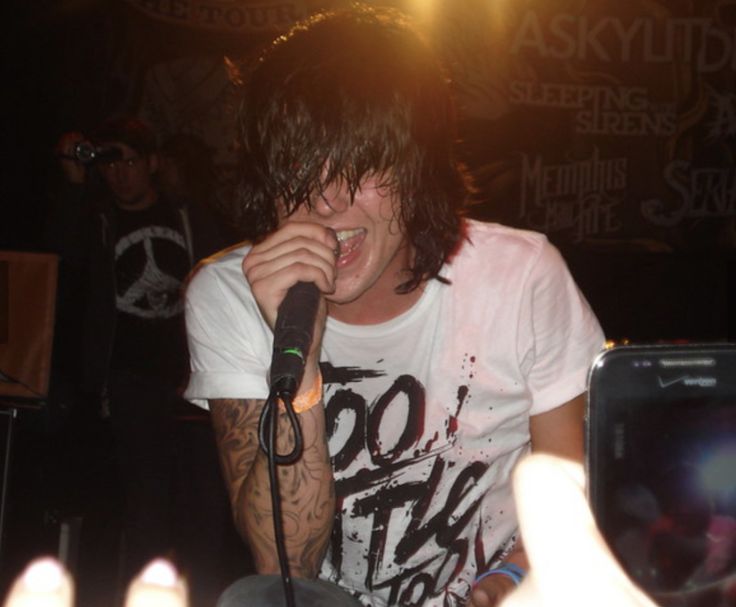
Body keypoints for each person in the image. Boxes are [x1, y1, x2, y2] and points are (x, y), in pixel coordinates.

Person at [183, 5, 605, 607]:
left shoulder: (520, 273)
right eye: (297, 166)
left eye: (362, 165)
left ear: (418, 168)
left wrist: (511, 580)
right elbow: (284, 562)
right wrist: (297, 356)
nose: (326, 202)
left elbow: (573, 485)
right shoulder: (227, 293)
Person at [47, 116, 233, 587]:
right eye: (110, 164)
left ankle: (205, 596)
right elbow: (64, 260)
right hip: (130, 384)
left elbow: (228, 276)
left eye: (129, 161)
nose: (120, 173)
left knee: (203, 511)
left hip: (192, 385)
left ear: (151, 163)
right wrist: (73, 181)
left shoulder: (186, 215)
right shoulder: (99, 220)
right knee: (146, 509)